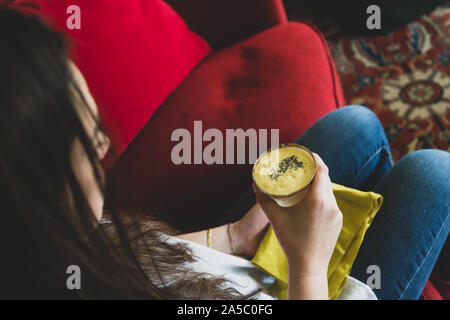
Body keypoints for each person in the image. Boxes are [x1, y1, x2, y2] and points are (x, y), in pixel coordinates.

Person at [0, 9, 448, 300]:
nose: (104, 144)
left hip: (233, 272)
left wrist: (233, 235)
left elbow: (136, 254)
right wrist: (309, 264)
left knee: (355, 127)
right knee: (433, 174)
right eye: (88, 141)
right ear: (33, 193)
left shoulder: (50, 246)